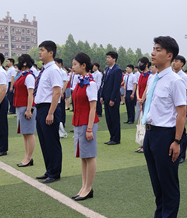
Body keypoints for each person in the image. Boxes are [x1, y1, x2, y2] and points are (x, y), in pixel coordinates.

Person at [137, 36, 187, 218]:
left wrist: (177, 141)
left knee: (168, 182)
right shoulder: (153, 78)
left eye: (158, 49)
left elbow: (181, 113)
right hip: (151, 134)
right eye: (153, 48)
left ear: (169, 55)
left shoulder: (175, 81)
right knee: (156, 181)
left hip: (166, 135)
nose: (153, 53)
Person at [70, 52, 99, 200]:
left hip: (87, 123)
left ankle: (88, 188)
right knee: (83, 156)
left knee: (89, 156)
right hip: (78, 122)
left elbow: (93, 108)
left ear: (83, 66)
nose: (73, 67)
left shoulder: (91, 83)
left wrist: (89, 129)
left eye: (75, 64)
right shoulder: (79, 81)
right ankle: (84, 186)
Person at [34, 40, 63, 184]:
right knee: (44, 141)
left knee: (51, 141)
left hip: (48, 108)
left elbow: (57, 92)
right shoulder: (44, 69)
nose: (40, 52)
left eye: (42, 50)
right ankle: (49, 169)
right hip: (40, 108)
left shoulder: (53, 70)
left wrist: (51, 112)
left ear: (51, 53)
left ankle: (54, 172)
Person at [13, 54, 37, 167]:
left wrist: (28, 109)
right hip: (20, 106)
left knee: (29, 133)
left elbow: (30, 94)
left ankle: (29, 157)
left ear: (25, 63)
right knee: (25, 133)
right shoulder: (22, 75)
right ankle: (27, 156)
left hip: (26, 106)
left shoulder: (29, 76)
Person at [100, 51, 122, 145]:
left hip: (113, 98)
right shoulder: (107, 69)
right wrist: (101, 96)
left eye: (109, 57)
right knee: (108, 119)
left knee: (114, 119)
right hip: (106, 97)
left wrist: (112, 99)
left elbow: (116, 86)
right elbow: (103, 83)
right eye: (107, 57)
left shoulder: (117, 70)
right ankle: (112, 137)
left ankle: (116, 138)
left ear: (114, 59)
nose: (107, 59)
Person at [172, 55, 187, 163]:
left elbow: (186, 91)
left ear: (182, 64)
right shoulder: (171, 74)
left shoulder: (184, 77)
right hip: (172, 107)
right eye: (173, 61)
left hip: (180, 106)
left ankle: (182, 154)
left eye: (177, 61)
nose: (174, 63)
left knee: (181, 131)